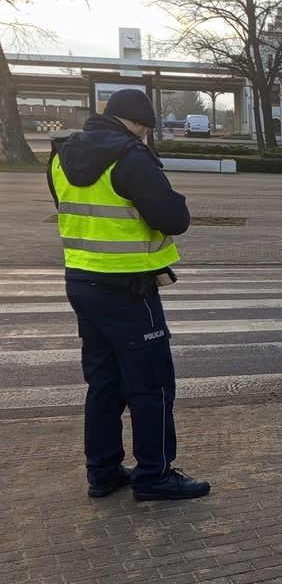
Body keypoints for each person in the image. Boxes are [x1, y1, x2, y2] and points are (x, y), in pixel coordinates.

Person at [47, 88, 211, 501]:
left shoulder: (61, 156)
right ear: (140, 123)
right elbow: (173, 217)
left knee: (104, 381)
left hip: (82, 282)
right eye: (148, 129)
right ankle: (154, 475)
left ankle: (102, 472)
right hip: (130, 287)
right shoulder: (130, 156)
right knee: (151, 385)